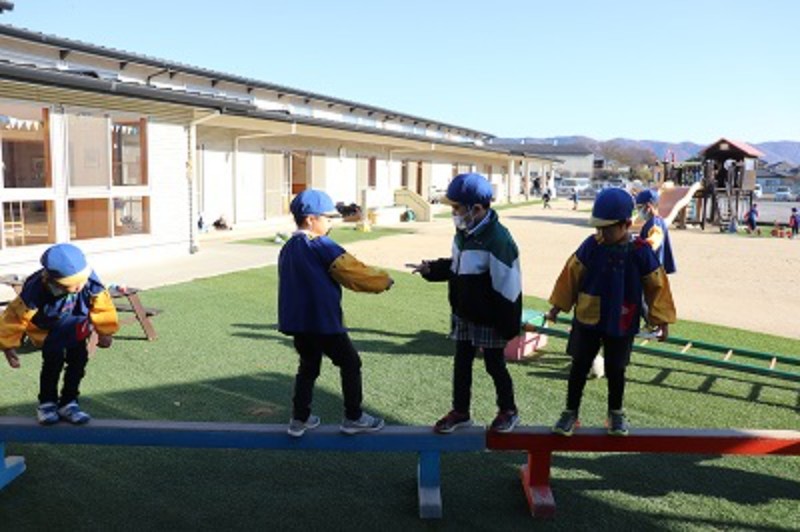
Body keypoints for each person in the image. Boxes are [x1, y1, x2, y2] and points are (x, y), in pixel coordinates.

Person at [545, 188, 676, 436]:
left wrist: (662, 320)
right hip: (588, 318)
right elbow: (571, 275)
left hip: (622, 320)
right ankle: (570, 412)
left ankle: (615, 413)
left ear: (626, 224)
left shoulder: (640, 251)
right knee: (579, 365)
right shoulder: (591, 245)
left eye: (607, 229)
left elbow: (657, 285)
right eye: (598, 228)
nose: (601, 233)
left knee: (617, 369)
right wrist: (557, 307)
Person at [410, 173, 522, 434]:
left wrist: (507, 326)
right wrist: (432, 269)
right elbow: (459, 267)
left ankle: (508, 410)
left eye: (457, 208)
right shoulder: (464, 232)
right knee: (462, 363)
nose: (454, 213)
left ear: (477, 209)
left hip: (490, 317)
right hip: (464, 312)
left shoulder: (498, 240)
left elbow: (509, 286)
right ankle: (461, 411)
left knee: (494, 364)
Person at [278, 189, 394, 437]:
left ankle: (299, 419)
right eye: (327, 218)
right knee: (351, 363)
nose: (331, 223)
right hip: (323, 321)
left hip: (298, 323)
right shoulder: (321, 245)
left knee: (308, 367)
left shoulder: (288, 247)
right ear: (311, 219)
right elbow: (352, 272)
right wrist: (383, 281)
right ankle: (353, 417)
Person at [0, 243, 119, 425]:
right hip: (50, 331)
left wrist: (105, 331)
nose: (79, 287)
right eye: (71, 285)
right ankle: (47, 404)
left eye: (81, 282)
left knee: (78, 364)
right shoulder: (36, 288)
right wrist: (8, 346)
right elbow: (15, 316)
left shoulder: (88, 280)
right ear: (53, 280)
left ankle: (69, 402)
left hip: (76, 325)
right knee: (52, 365)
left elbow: (102, 304)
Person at [635, 190, 676, 274]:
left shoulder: (654, 224)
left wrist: (638, 245)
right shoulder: (658, 221)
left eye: (639, 208)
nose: (639, 211)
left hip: (653, 269)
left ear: (648, 207)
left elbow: (654, 242)